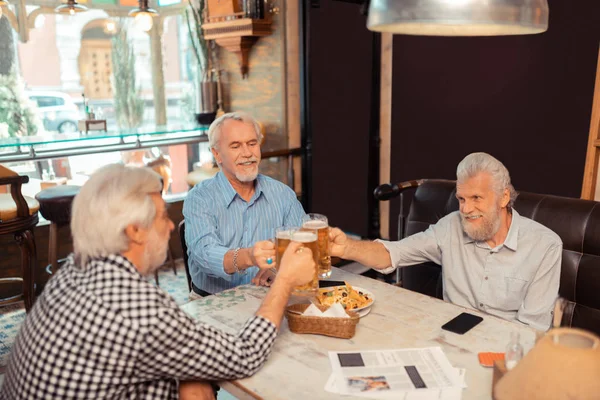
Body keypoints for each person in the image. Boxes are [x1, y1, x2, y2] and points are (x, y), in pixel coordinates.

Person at [1, 164, 316, 400]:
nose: (169, 227)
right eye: (163, 215)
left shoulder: (73, 271)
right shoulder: (137, 307)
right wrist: (284, 280)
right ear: (135, 230)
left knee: (197, 383)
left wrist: (191, 376)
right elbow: (244, 355)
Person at [329, 152, 562, 331]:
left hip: (506, 355)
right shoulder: (450, 226)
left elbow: (532, 331)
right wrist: (347, 247)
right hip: (450, 340)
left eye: (476, 198)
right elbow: (394, 253)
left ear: (503, 198)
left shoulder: (545, 246)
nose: (466, 209)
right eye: (461, 198)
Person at [183, 112, 305, 296]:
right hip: (214, 301)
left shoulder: (283, 194)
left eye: (252, 143)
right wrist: (248, 256)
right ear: (217, 154)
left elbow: (301, 244)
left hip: (269, 295)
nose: (247, 153)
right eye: (235, 146)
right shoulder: (199, 199)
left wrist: (277, 267)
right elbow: (205, 255)